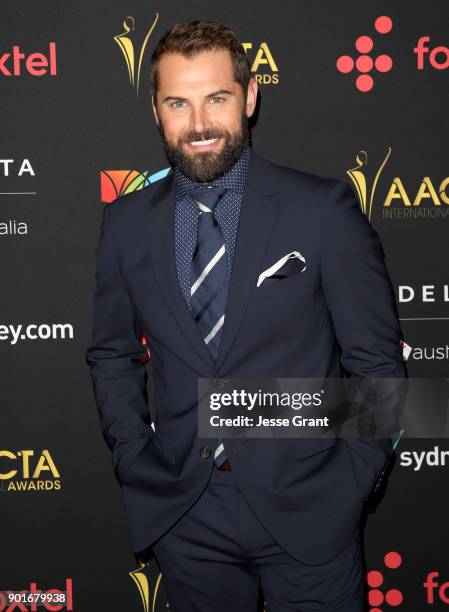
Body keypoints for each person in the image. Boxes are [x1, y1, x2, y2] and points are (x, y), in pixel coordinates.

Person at [85, 19, 406, 612]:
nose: (200, 124)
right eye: (178, 102)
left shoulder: (322, 211)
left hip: (311, 508)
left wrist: (352, 483)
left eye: (217, 99)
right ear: (156, 110)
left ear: (250, 97)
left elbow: (377, 363)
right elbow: (112, 354)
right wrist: (135, 457)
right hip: (187, 513)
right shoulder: (125, 224)